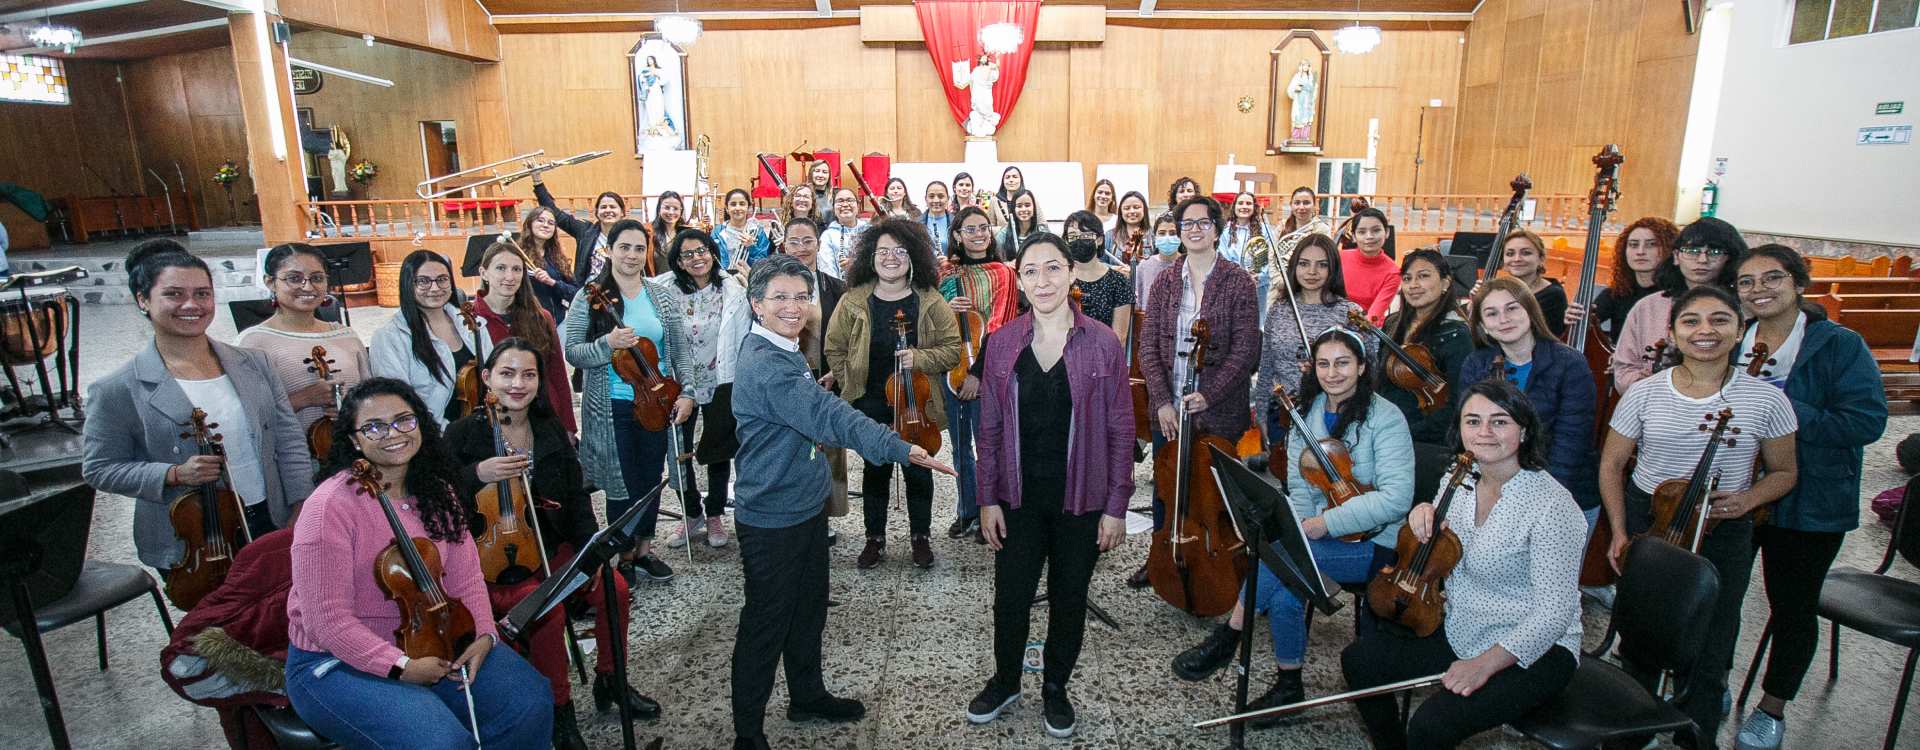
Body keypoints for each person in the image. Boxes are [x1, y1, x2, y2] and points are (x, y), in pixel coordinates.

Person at [729, 253, 954, 750]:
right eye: (779, 298)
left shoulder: (783, 346)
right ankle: (748, 734)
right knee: (766, 624)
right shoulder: (768, 364)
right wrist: (902, 447)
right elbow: (831, 418)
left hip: (803, 505)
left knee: (807, 610)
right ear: (756, 305)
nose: (793, 306)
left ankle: (807, 696)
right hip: (772, 518)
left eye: (800, 296)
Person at [284, 378, 552, 748]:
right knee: (441, 742)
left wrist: (484, 635)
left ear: (420, 425)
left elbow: (466, 579)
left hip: (434, 640)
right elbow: (326, 621)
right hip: (334, 662)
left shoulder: (436, 491)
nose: (392, 434)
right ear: (353, 440)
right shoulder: (329, 507)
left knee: (529, 701)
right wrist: (399, 667)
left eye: (403, 420)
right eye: (374, 427)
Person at [1598, 285, 1799, 748]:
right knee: (1642, 634)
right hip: (1650, 519)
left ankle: (1696, 733)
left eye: (1719, 320)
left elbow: (1785, 471)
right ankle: (1634, 728)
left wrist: (1748, 499)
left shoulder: (1766, 399)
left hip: (1723, 527)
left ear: (1740, 328)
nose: (1704, 330)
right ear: (1672, 332)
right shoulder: (1645, 393)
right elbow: (1612, 464)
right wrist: (1620, 532)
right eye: (1691, 321)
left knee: (1713, 642)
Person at [1172, 327, 1414, 712]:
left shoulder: (1386, 418)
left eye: (1343, 363)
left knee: (1278, 559)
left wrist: (1324, 525)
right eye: (1323, 364)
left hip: (1376, 543)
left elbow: (1396, 498)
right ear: (1312, 368)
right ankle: (1289, 683)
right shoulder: (1306, 414)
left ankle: (1230, 633)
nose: (1332, 373)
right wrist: (1303, 527)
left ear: (1363, 366)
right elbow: (1300, 490)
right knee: (1285, 585)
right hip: (1317, 537)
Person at [1340, 378, 1585, 749]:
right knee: (1360, 661)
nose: (1484, 432)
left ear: (1524, 430)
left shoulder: (1553, 506)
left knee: (1431, 725)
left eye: (1499, 421)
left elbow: (1555, 613)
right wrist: (1423, 511)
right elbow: (1442, 535)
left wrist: (1485, 664)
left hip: (1536, 647)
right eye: (1473, 421)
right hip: (1462, 623)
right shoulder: (1461, 476)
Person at [445, 340, 655, 748]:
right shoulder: (463, 434)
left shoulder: (548, 426)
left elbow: (575, 496)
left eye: (529, 375)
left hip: (551, 543)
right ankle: (560, 711)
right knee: (549, 614)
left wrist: (590, 551)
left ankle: (610, 679)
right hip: (493, 559)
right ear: (487, 378)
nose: (518, 384)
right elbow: (434, 496)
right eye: (507, 374)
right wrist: (476, 473)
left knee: (616, 589)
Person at [965, 233, 1133, 739]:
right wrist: (986, 498)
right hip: (1018, 497)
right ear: (1019, 279)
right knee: (1010, 597)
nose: (1043, 280)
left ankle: (1055, 688)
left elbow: (1121, 429)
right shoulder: (1000, 343)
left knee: (1069, 596)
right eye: (1032, 270)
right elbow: (988, 429)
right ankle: (1006, 680)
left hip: (1081, 497)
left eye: (1054, 268)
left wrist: (1117, 506)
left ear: (1071, 273)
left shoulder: (1102, 342)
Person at [1730, 245, 1888, 750]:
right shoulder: (1732, 338)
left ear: (1799, 283)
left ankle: (1771, 710)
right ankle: (1705, 687)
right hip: (1736, 489)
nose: (1759, 290)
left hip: (1811, 497)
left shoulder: (1839, 345)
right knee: (1719, 597)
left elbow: (1866, 422)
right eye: (1747, 282)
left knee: (1791, 605)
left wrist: (1780, 409)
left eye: (1772, 278)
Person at [84, 240, 313, 562]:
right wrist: (173, 474)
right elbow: (100, 468)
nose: (191, 304)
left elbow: (288, 440)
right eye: (174, 294)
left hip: (269, 515)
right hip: (193, 534)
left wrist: (302, 502)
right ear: (142, 300)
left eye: (202, 294)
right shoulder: (115, 388)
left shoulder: (255, 363)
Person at [563, 220, 703, 584]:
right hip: (612, 406)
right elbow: (574, 351)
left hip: (656, 402)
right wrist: (606, 344)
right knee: (621, 482)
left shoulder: (660, 294)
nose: (632, 255)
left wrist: (686, 391)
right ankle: (621, 553)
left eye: (639, 248)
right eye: (624, 247)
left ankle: (643, 550)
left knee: (650, 479)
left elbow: (678, 349)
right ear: (609, 249)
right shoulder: (588, 296)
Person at [1130, 195, 1261, 587]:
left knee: (1217, 490)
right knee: (1167, 487)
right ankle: (1163, 554)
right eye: (1187, 224)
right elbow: (1148, 345)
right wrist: (1162, 401)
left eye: (1203, 223)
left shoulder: (1239, 281)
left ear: (1217, 230)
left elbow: (1246, 351)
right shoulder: (1165, 281)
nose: (1194, 230)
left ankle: (1222, 560)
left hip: (1219, 409)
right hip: (1169, 408)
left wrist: (1210, 394)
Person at [824, 218, 964, 569]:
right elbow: (834, 347)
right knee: (876, 470)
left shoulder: (929, 300)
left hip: (917, 402)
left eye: (899, 251)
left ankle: (921, 536)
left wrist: (919, 357)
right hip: (870, 400)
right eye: (882, 251)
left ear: (913, 256)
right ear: (870, 258)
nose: (891, 258)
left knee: (919, 469)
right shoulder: (854, 300)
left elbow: (951, 350)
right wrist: (848, 380)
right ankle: (875, 538)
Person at [1459, 276, 1599, 530]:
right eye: (1492, 313)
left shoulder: (1570, 364)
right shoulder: (1476, 363)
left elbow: (1570, 445)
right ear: (1483, 326)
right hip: (1495, 492)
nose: (1504, 319)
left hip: (1562, 494)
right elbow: (1469, 434)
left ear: (1530, 310)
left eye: (1512, 308)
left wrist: (1532, 503)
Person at [659, 228, 749, 549]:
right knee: (678, 452)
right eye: (687, 254)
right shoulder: (664, 289)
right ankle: (691, 512)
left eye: (702, 251)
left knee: (718, 450)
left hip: (720, 381)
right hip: (680, 384)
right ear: (679, 263)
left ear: (712, 252)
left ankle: (713, 514)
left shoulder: (731, 287)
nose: (696, 258)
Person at [938, 205, 1020, 541]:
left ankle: (991, 511)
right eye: (970, 229)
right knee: (959, 448)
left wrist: (977, 373)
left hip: (988, 369)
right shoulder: (946, 273)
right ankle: (966, 511)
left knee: (989, 445)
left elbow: (1002, 326)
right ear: (957, 235)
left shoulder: (1003, 273)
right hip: (950, 368)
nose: (978, 234)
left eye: (983, 228)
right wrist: (946, 306)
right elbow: (932, 322)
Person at [234, 242, 370, 436]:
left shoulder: (345, 335)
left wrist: (354, 406)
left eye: (317, 278)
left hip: (354, 449)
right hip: (291, 456)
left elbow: (372, 396)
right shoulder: (252, 343)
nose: (307, 286)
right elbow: (246, 416)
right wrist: (302, 399)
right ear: (270, 282)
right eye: (294, 278)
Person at [1609, 217, 1745, 393]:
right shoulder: (1647, 306)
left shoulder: (1742, 306)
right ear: (1676, 257)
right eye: (1692, 250)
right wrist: (1649, 386)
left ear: (1730, 258)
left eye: (1715, 251)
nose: (1702, 260)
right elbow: (1624, 369)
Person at [1253, 233, 1362, 440]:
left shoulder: (1350, 313)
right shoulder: (1279, 309)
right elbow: (1266, 366)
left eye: (1322, 265)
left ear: (1333, 268)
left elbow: (1365, 371)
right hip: (1282, 412)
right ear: (1294, 267)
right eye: (1304, 264)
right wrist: (1260, 415)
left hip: (1333, 416)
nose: (1312, 272)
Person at [370, 250, 493, 427]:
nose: (435, 288)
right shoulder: (389, 337)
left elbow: (492, 377)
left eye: (442, 279)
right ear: (407, 285)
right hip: (431, 436)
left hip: (479, 428)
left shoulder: (473, 323)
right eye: (423, 281)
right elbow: (398, 403)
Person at [472, 241, 577, 435]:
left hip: (543, 416)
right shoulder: (469, 319)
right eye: (501, 268)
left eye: (516, 269)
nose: (509, 277)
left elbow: (557, 375)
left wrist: (568, 427)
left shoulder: (541, 317)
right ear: (484, 272)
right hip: (493, 422)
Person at [1375, 248, 1473, 446]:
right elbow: (1381, 381)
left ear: (1445, 283)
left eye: (1423, 276)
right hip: (1385, 428)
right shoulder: (1393, 323)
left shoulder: (1456, 334)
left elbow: (1457, 402)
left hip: (1425, 439)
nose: (1413, 285)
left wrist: (1408, 432)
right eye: (1407, 278)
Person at [1563, 216, 1676, 342]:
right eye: (1633, 245)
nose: (1640, 251)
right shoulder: (1616, 293)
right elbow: (1589, 328)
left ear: (1669, 249)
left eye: (1651, 245)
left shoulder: (1678, 294)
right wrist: (1574, 319)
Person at [532, 173, 626, 283]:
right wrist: (537, 182)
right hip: (589, 296)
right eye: (603, 207)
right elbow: (556, 214)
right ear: (597, 212)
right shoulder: (585, 231)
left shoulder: (632, 235)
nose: (608, 210)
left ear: (622, 212)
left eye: (613, 207)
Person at [1062, 210, 1133, 340]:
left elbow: (1119, 338)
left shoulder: (1118, 281)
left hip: (1103, 354)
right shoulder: (1059, 278)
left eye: (1085, 235)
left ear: (1099, 240)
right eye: (1072, 236)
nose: (1078, 240)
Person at [1490, 229, 1568, 339]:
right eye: (1510, 254)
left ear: (1541, 259)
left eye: (1526, 253)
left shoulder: (1553, 295)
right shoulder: (1501, 288)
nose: (1516, 259)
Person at [514, 206, 581, 326]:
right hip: (527, 323)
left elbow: (576, 293)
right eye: (540, 220)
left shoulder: (558, 258)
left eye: (551, 223)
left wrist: (553, 282)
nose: (546, 225)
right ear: (529, 224)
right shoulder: (517, 255)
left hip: (557, 323)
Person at [1342, 207, 1399, 324]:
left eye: (1376, 230)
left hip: (1367, 328)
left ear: (1387, 232)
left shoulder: (1393, 272)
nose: (1369, 236)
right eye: (1362, 232)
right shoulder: (1339, 257)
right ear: (1353, 236)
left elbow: (1374, 315)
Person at [713, 187, 773, 270]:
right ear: (727, 208)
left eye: (742, 204)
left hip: (749, 278)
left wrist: (752, 247)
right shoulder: (718, 232)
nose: (737, 208)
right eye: (733, 204)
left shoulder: (758, 232)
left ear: (748, 207)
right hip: (723, 278)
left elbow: (764, 263)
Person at [1133, 212, 1180, 308]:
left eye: (1172, 233)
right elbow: (1137, 302)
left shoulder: (1188, 263)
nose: (1167, 238)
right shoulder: (1144, 266)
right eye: (1162, 233)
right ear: (1155, 236)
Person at [819, 186, 867, 279]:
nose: (845, 204)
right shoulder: (827, 236)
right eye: (840, 201)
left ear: (858, 205)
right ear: (833, 208)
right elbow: (827, 272)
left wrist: (857, 265)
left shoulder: (869, 230)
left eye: (850, 200)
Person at [648, 191, 689, 276]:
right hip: (655, 285)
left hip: (681, 285)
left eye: (675, 208)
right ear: (659, 208)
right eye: (667, 208)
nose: (671, 212)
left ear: (681, 211)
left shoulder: (685, 233)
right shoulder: (648, 232)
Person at [997, 189, 1043, 261]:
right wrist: (1007, 264)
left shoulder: (1043, 231)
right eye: (1019, 206)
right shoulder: (1003, 235)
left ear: (1034, 208)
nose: (1023, 209)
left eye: (1027, 205)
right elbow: (997, 261)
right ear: (1013, 209)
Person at [1107, 190, 1153, 261]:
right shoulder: (1109, 235)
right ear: (1121, 212)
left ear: (1144, 210)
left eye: (1136, 207)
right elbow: (1100, 262)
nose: (1132, 211)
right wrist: (1114, 267)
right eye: (1127, 208)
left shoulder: (1154, 234)